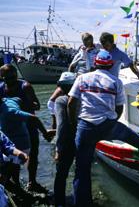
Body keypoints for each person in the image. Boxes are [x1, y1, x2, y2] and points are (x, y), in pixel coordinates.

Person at [67, 50, 139, 206]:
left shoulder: (82, 78)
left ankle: (83, 203)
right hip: (107, 125)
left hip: (85, 126)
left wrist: (75, 124)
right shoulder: (116, 82)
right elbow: (119, 108)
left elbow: (71, 103)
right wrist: (112, 121)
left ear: (95, 63)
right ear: (111, 65)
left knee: (82, 170)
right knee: (136, 139)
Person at [0, 64, 49, 193]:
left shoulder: (25, 86)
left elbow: (37, 106)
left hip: (29, 123)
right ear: (2, 77)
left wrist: (21, 106)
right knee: (12, 154)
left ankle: (32, 181)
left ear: (16, 75)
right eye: (7, 77)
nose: (11, 79)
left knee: (33, 153)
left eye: (13, 76)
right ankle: (16, 183)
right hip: (12, 127)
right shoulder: (1, 88)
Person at [0, 96, 54, 197]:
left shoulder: (9, 111)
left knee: (8, 173)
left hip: (18, 144)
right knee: (11, 171)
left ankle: (20, 193)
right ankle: (17, 188)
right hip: (11, 139)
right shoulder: (10, 100)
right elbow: (19, 99)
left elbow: (33, 118)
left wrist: (45, 132)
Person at [53, 72, 77, 206]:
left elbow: (61, 126)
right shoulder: (83, 98)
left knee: (61, 174)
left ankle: (60, 202)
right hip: (82, 139)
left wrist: (58, 148)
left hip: (67, 142)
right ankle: (82, 200)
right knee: (81, 173)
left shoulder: (61, 100)